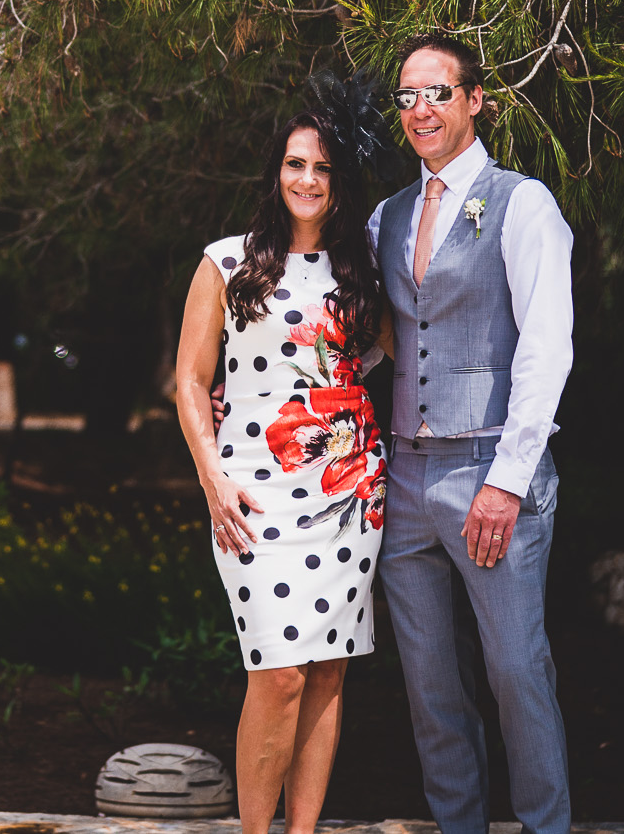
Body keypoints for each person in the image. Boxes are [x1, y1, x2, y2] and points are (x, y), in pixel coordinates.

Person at [370, 32, 575, 834]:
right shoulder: (387, 216)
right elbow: (365, 335)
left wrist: (506, 478)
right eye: (407, 97)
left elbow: (547, 347)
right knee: (428, 684)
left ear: (475, 99)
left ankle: (544, 827)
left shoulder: (522, 202)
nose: (421, 109)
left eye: (437, 93)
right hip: (404, 476)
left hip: (490, 467)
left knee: (516, 668)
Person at [174, 86, 394, 834]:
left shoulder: (361, 267)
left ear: (341, 181)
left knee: (326, 673)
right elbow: (190, 380)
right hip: (252, 495)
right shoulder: (228, 261)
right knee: (276, 675)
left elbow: (386, 351)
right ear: (276, 171)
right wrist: (213, 479)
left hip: (349, 491)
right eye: (295, 163)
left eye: (323, 167)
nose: (307, 179)